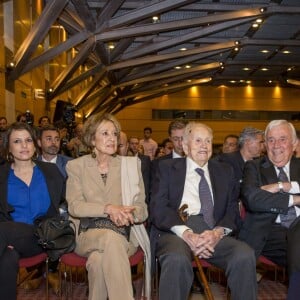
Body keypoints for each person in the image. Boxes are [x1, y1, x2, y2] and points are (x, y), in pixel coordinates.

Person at [150, 121, 257, 300]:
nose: (204, 146)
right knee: (177, 259)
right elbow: (158, 208)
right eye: (198, 140)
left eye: (208, 141)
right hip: (176, 231)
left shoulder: (225, 171)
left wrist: (217, 233)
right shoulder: (166, 169)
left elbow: (232, 210)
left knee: (244, 255)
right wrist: (187, 234)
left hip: (212, 232)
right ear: (185, 146)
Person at [66, 113, 150, 300]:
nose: (112, 138)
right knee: (110, 240)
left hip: (124, 235)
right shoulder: (76, 166)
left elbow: (141, 208)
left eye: (114, 134)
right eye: (105, 133)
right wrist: (109, 208)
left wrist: (128, 214)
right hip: (87, 234)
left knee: (97, 261)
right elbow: (75, 206)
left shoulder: (130, 166)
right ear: (91, 138)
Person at [0, 122, 65, 300]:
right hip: (10, 241)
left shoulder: (51, 172)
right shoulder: (2, 175)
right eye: (17, 141)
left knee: (3, 231)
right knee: (7, 259)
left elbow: (67, 202)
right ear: (8, 147)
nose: (24, 145)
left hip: (43, 237)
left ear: (35, 144)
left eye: (28, 140)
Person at [239, 120, 300, 299]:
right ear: (265, 145)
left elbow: (261, 196)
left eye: (282, 139)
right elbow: (252, 199)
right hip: (269, 233)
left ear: (294, 144)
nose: (276, 146)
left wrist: (284, 186)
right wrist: (294, 197)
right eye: (271, 140)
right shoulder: (254, 166)